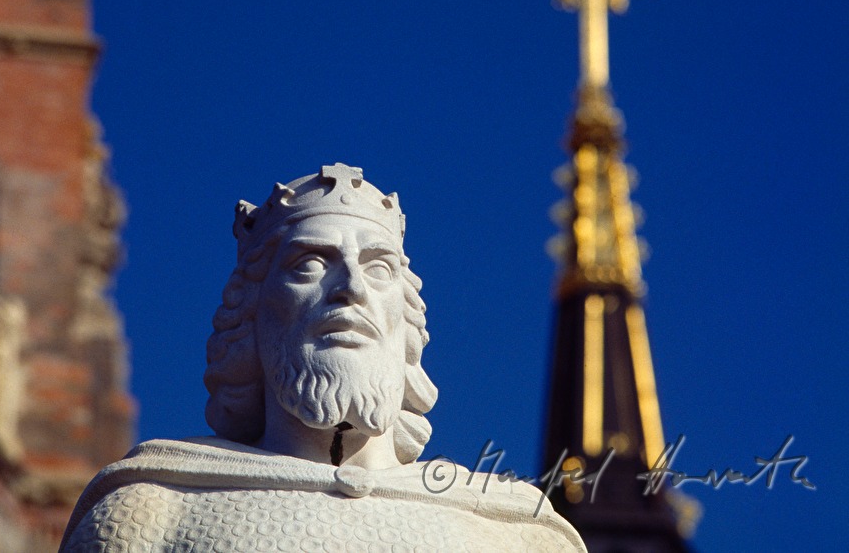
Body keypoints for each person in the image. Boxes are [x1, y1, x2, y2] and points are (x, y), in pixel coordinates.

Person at [60, 164, 584, 551]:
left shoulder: (515, 534)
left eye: (378, 269)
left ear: (407, 322)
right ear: (251, 315)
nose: (351, 288)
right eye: (311, 265)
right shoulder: (149, 516)